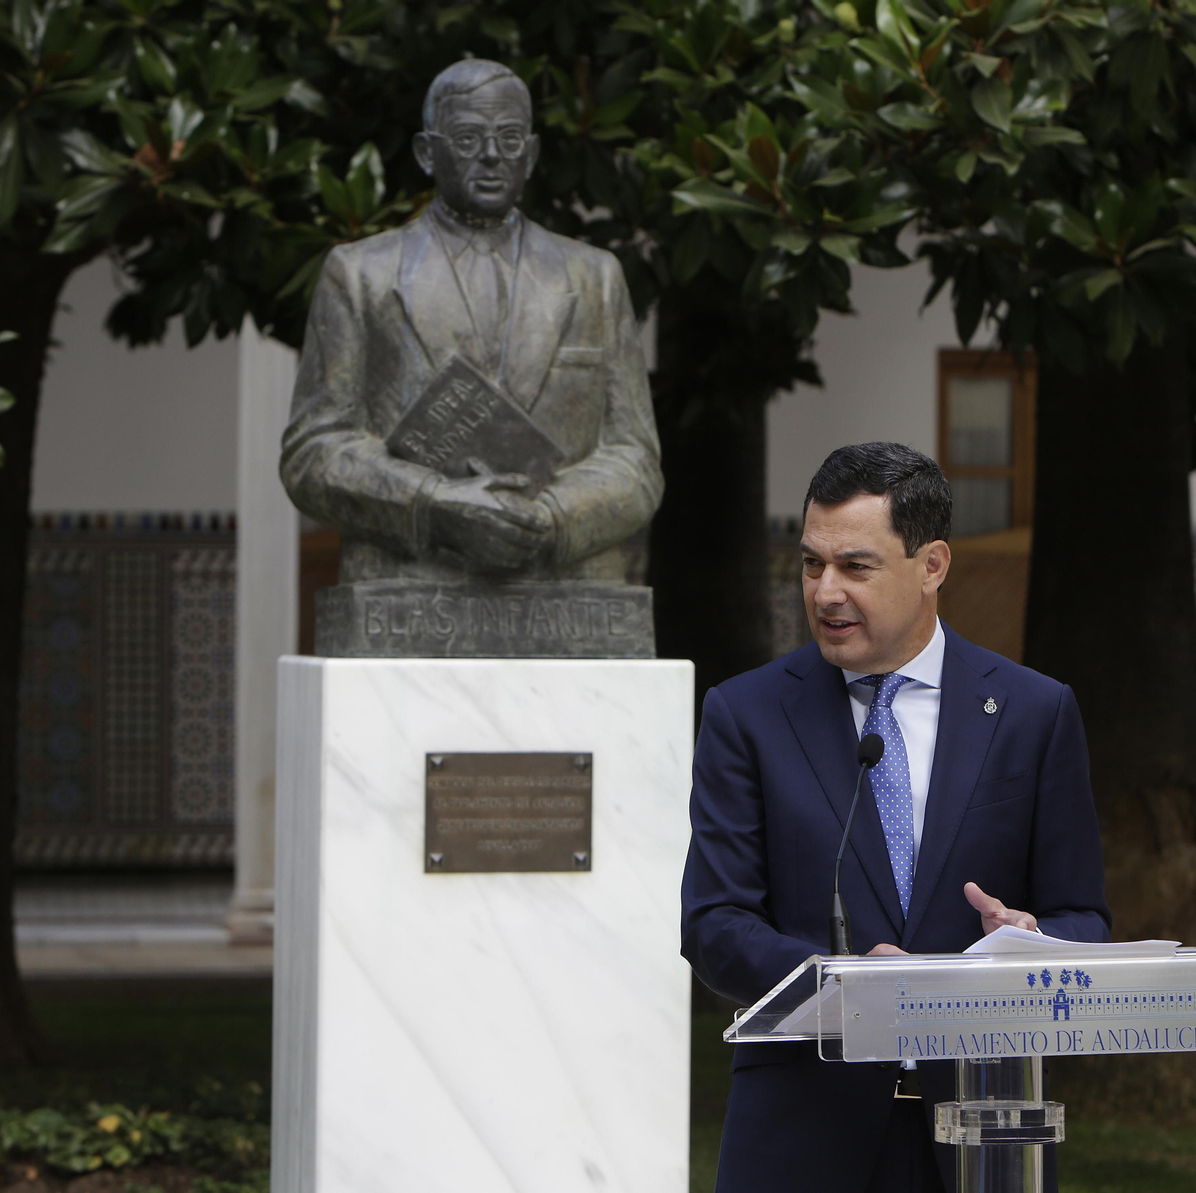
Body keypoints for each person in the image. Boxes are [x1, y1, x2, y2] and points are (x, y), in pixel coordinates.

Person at [681, 442, 1111, 1192]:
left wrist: (1034, 939)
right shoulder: (746, 714)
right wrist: (843, 984)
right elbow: (714, 921)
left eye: (856, 566)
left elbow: (1086, 917)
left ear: (932, 565)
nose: (825, 592)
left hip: (979, 1130)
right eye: (812, 564)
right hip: (802, 1136)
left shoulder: (1033, 712)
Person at [280, 59, 662, 583]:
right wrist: (434, 505)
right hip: (408, 585)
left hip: (563, 591)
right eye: (466, 138)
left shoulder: (594, 278)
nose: (489, 156)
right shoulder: (360, 275)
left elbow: (635, 457)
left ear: (530, 156)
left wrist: (549, 518)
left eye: (508, 139)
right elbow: (313, 451)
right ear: (426, 153)